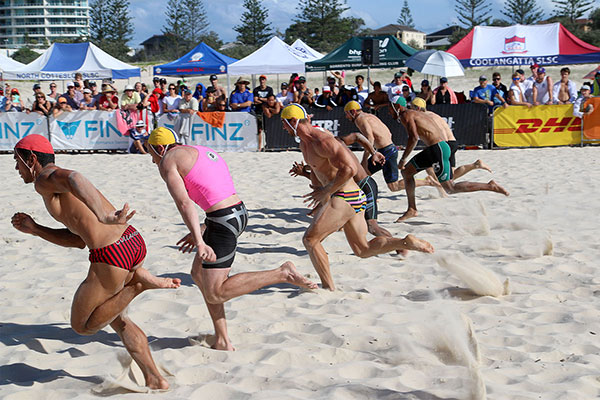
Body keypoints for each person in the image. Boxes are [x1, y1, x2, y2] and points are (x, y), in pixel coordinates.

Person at [11, 134, 180, 389]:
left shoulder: (45, 178)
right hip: (132, 241)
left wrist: (103, 216)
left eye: (17, 161)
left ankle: (138, 285)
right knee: (117, 318)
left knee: (83, 326)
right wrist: (35, 229)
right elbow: (77, 240)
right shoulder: (53, 186)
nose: (16, 168)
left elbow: (74, 177)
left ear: (31, 159)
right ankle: (155, 378)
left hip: (112, 254)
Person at [145, 127, 316, 350]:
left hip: (222, 220)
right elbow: (214, 191)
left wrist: (200, 240)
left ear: (160, 148)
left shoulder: (168, 160)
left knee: (216, 292)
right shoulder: (200, 150)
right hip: (237, 213)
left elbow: (184, 203)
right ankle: (222, 339)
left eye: (151, 154)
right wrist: (204, 228)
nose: (153, 161)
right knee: (198, 274)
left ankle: (283, 273)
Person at [280, 104, 434, 290]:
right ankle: (405, 242)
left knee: (310, 240)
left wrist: (327, 190)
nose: (283, 128)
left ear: (294, 121)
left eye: (284, 123)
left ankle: (328, 288)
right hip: (350, 196)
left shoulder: (321, 140)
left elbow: (349, 169)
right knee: (363, 249)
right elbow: (318, 171)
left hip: (345, 195)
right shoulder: (304, 143)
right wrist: (317, 191)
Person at [389, 96, 509, 222]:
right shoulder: (418, 114)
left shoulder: (405, 115)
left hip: (438, 149)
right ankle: (412, 209)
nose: (389, 112)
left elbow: (413, 138)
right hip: (436, 148)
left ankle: (490, 186)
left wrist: (403, 159)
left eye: (390, 109)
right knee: (407, 172)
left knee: (450, 188)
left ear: (397, 106)